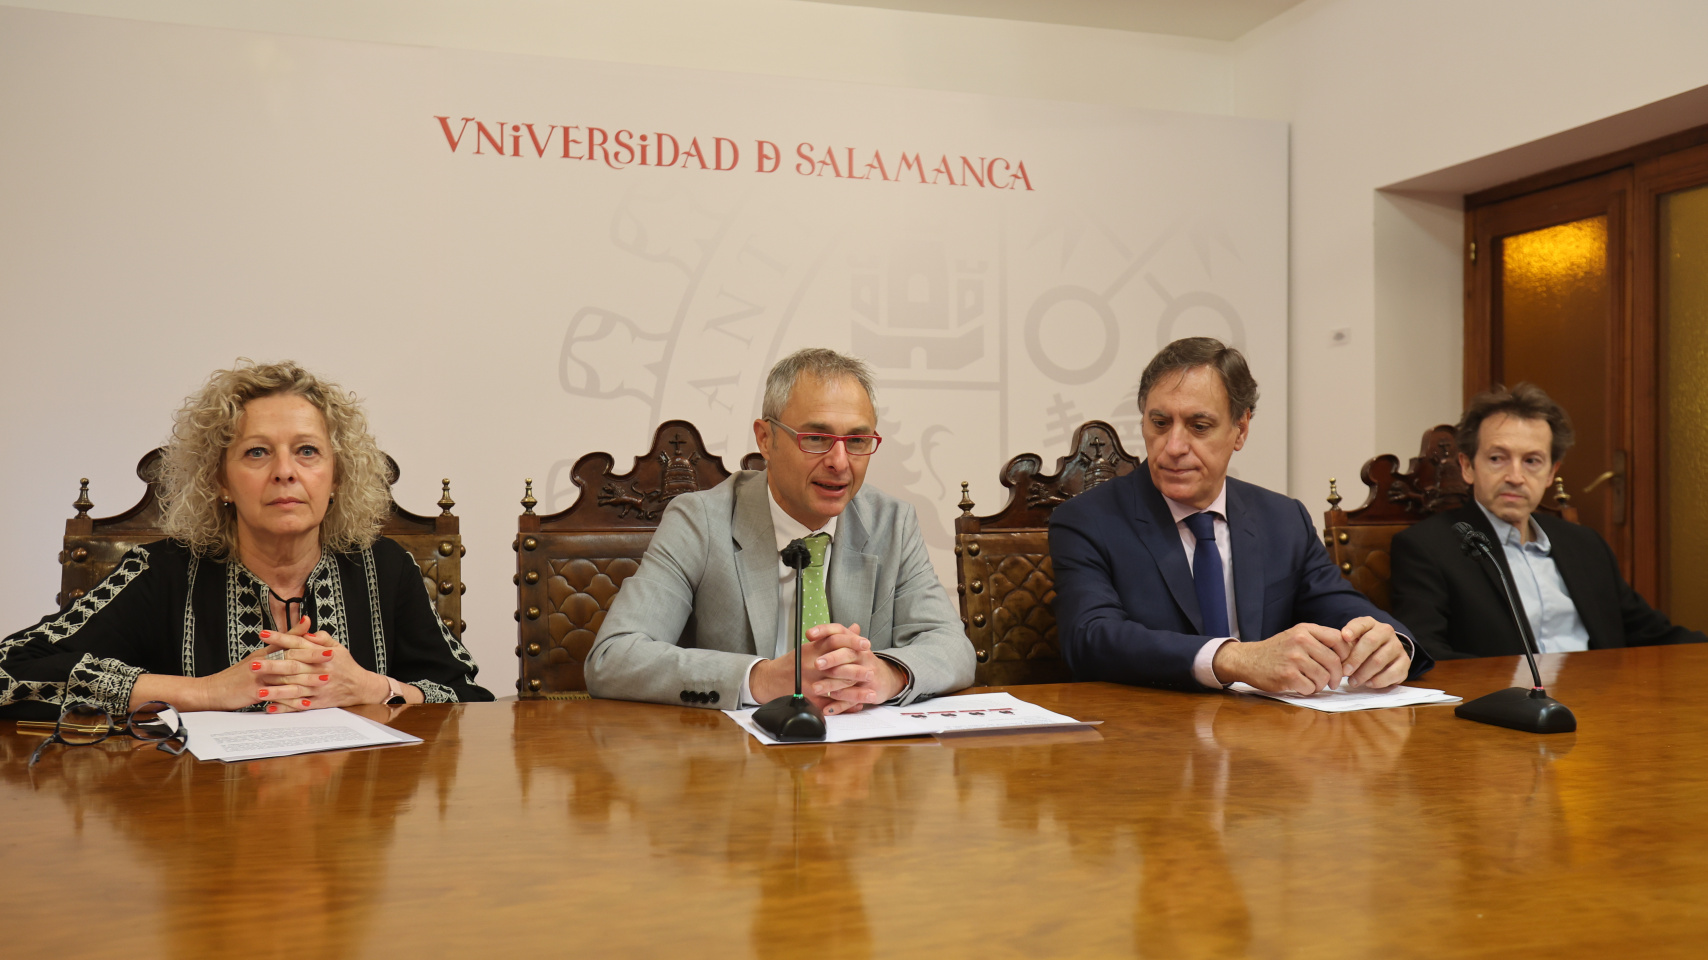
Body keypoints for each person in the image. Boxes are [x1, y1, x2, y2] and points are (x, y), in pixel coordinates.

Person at [0, 360, 492, 721]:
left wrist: (370, 686)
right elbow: (8, 673)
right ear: (220, 480)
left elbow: (468, 695)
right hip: (205, 832)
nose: (284, 472)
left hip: (349, 843)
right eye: (257, 452)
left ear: (336, 476)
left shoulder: (385, 566)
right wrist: (207, 691)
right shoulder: (160, 572)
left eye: (307, 451)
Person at [584, 348, 975, 713]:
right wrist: (761, 679)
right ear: (766, 439)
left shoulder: (892, 523)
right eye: (817, 438)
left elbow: (952, 648)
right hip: (732, 768)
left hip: (856, 766)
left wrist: (885, 675)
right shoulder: (699, 521)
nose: (840, 462)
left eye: (856, 441)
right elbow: (613, 657)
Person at [1050, 337, 1430, 694]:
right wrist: (1234, 659)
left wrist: (1389, 644)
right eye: (1160, 423)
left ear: (1241, 429)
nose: (1174, 446)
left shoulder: (1283, 519)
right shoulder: (1088, 520)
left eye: (1199, 426)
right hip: (1148, 736)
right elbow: (1090, 638)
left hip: (1268, 741)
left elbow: (1340, 607)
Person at [1390, 383, 1705, 659]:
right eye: (1497, 458)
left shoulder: (1585, 544)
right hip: (1507, 713)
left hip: (1605, 706)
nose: (1515, 477)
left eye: (1532, 461)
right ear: (1468, 466)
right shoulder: (1427, 548)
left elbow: (1651, 634)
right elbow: (1428, 653)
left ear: (1551, 472)